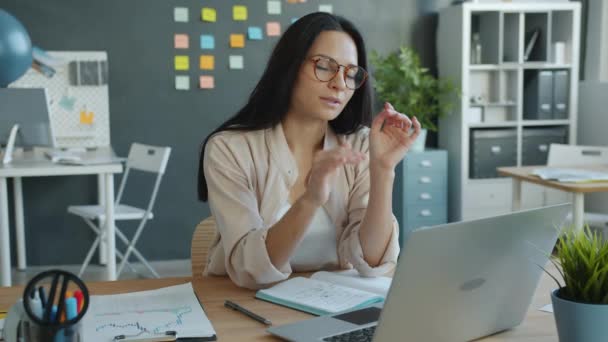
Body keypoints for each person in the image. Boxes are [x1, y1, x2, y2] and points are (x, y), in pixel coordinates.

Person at [198, 12, 420, 289]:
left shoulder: (361, 145)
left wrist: (384, 170)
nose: (339, 83)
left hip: (330, 304)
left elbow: (372, 262)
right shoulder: (229, 149)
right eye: (325, 66)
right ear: (289, 68)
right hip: (242, 306)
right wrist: (310, 199)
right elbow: (251, 270)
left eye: (351, 73)